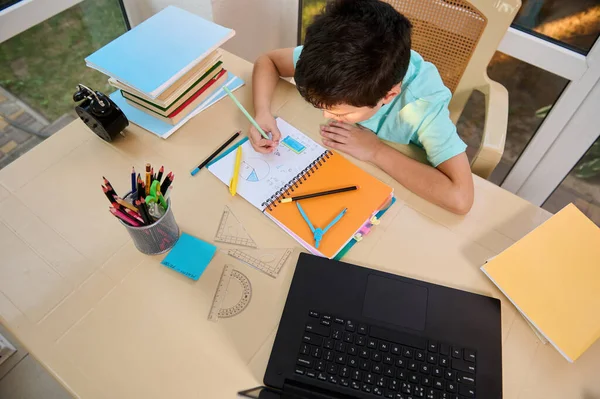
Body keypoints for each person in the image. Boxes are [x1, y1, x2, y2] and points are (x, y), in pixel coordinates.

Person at [249, 0, 474, 215]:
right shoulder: (328, 66)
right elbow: (268, 61)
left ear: (389, 96)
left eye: (342, 113)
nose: (327, 116)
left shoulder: (422, 109)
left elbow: (460, 197)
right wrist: (262, 112)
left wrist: (375, 151)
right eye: (321, 106)